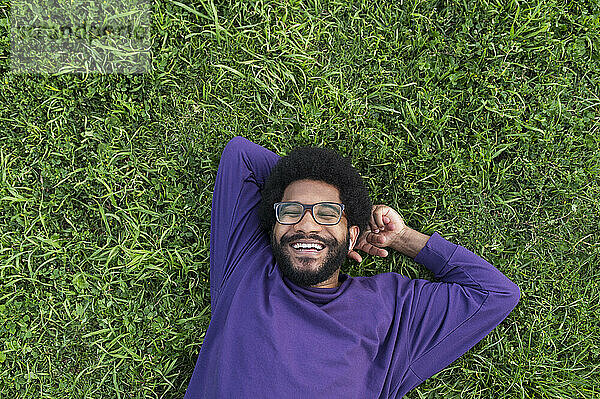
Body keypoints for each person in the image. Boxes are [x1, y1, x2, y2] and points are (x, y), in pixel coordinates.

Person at [184, 136, 520, 398]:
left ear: (352, 234)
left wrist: (401, 238)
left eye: (328, 214)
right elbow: (241, 156)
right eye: (291, 212)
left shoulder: (391, 307)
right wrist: (337, 220)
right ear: (273, 226)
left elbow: (494, 293)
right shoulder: (246, 266)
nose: (307, 225)